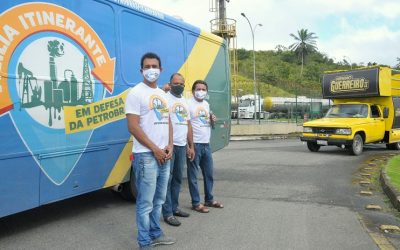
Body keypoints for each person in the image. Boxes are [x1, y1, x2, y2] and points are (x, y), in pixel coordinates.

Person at [125, 52, 175, 249]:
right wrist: (155, 149)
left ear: (161, 70)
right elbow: (133, 126)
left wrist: (170, 145)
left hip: (165, 154)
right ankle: (144, 242)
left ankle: (155, 233)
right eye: (147, 67)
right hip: (146, 155)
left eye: (155, 66)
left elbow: (168, 121)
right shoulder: (136, 93)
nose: (151, 70)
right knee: (145, 202)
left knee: (159, 199)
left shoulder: (163, 95)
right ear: (141, 70)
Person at [162, 73, 195, 227]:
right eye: (176, 83)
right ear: (170, 83)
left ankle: (175, 208)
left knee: (177, 179)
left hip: (182, 146)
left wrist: (190, 146)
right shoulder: (164, 98)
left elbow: (187, 124)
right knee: (166, 180)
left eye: (182, 83)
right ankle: (167, 213)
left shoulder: (184, 101)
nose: (179, 86)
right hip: (169, 146)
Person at [187, 80, 224, 213]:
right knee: (193, 176)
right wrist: (189, 145)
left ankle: (209, 199)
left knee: (209, 174)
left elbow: (209, 124)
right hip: (194, 144)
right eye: (198, 89)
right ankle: (196, 203)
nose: (201, 91)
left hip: (205, 144)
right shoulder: (188, 104)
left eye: (203, 89)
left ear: (206, 92)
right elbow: (186, 125)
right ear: (193, 91)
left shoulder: (206, 104)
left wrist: (212, 120)